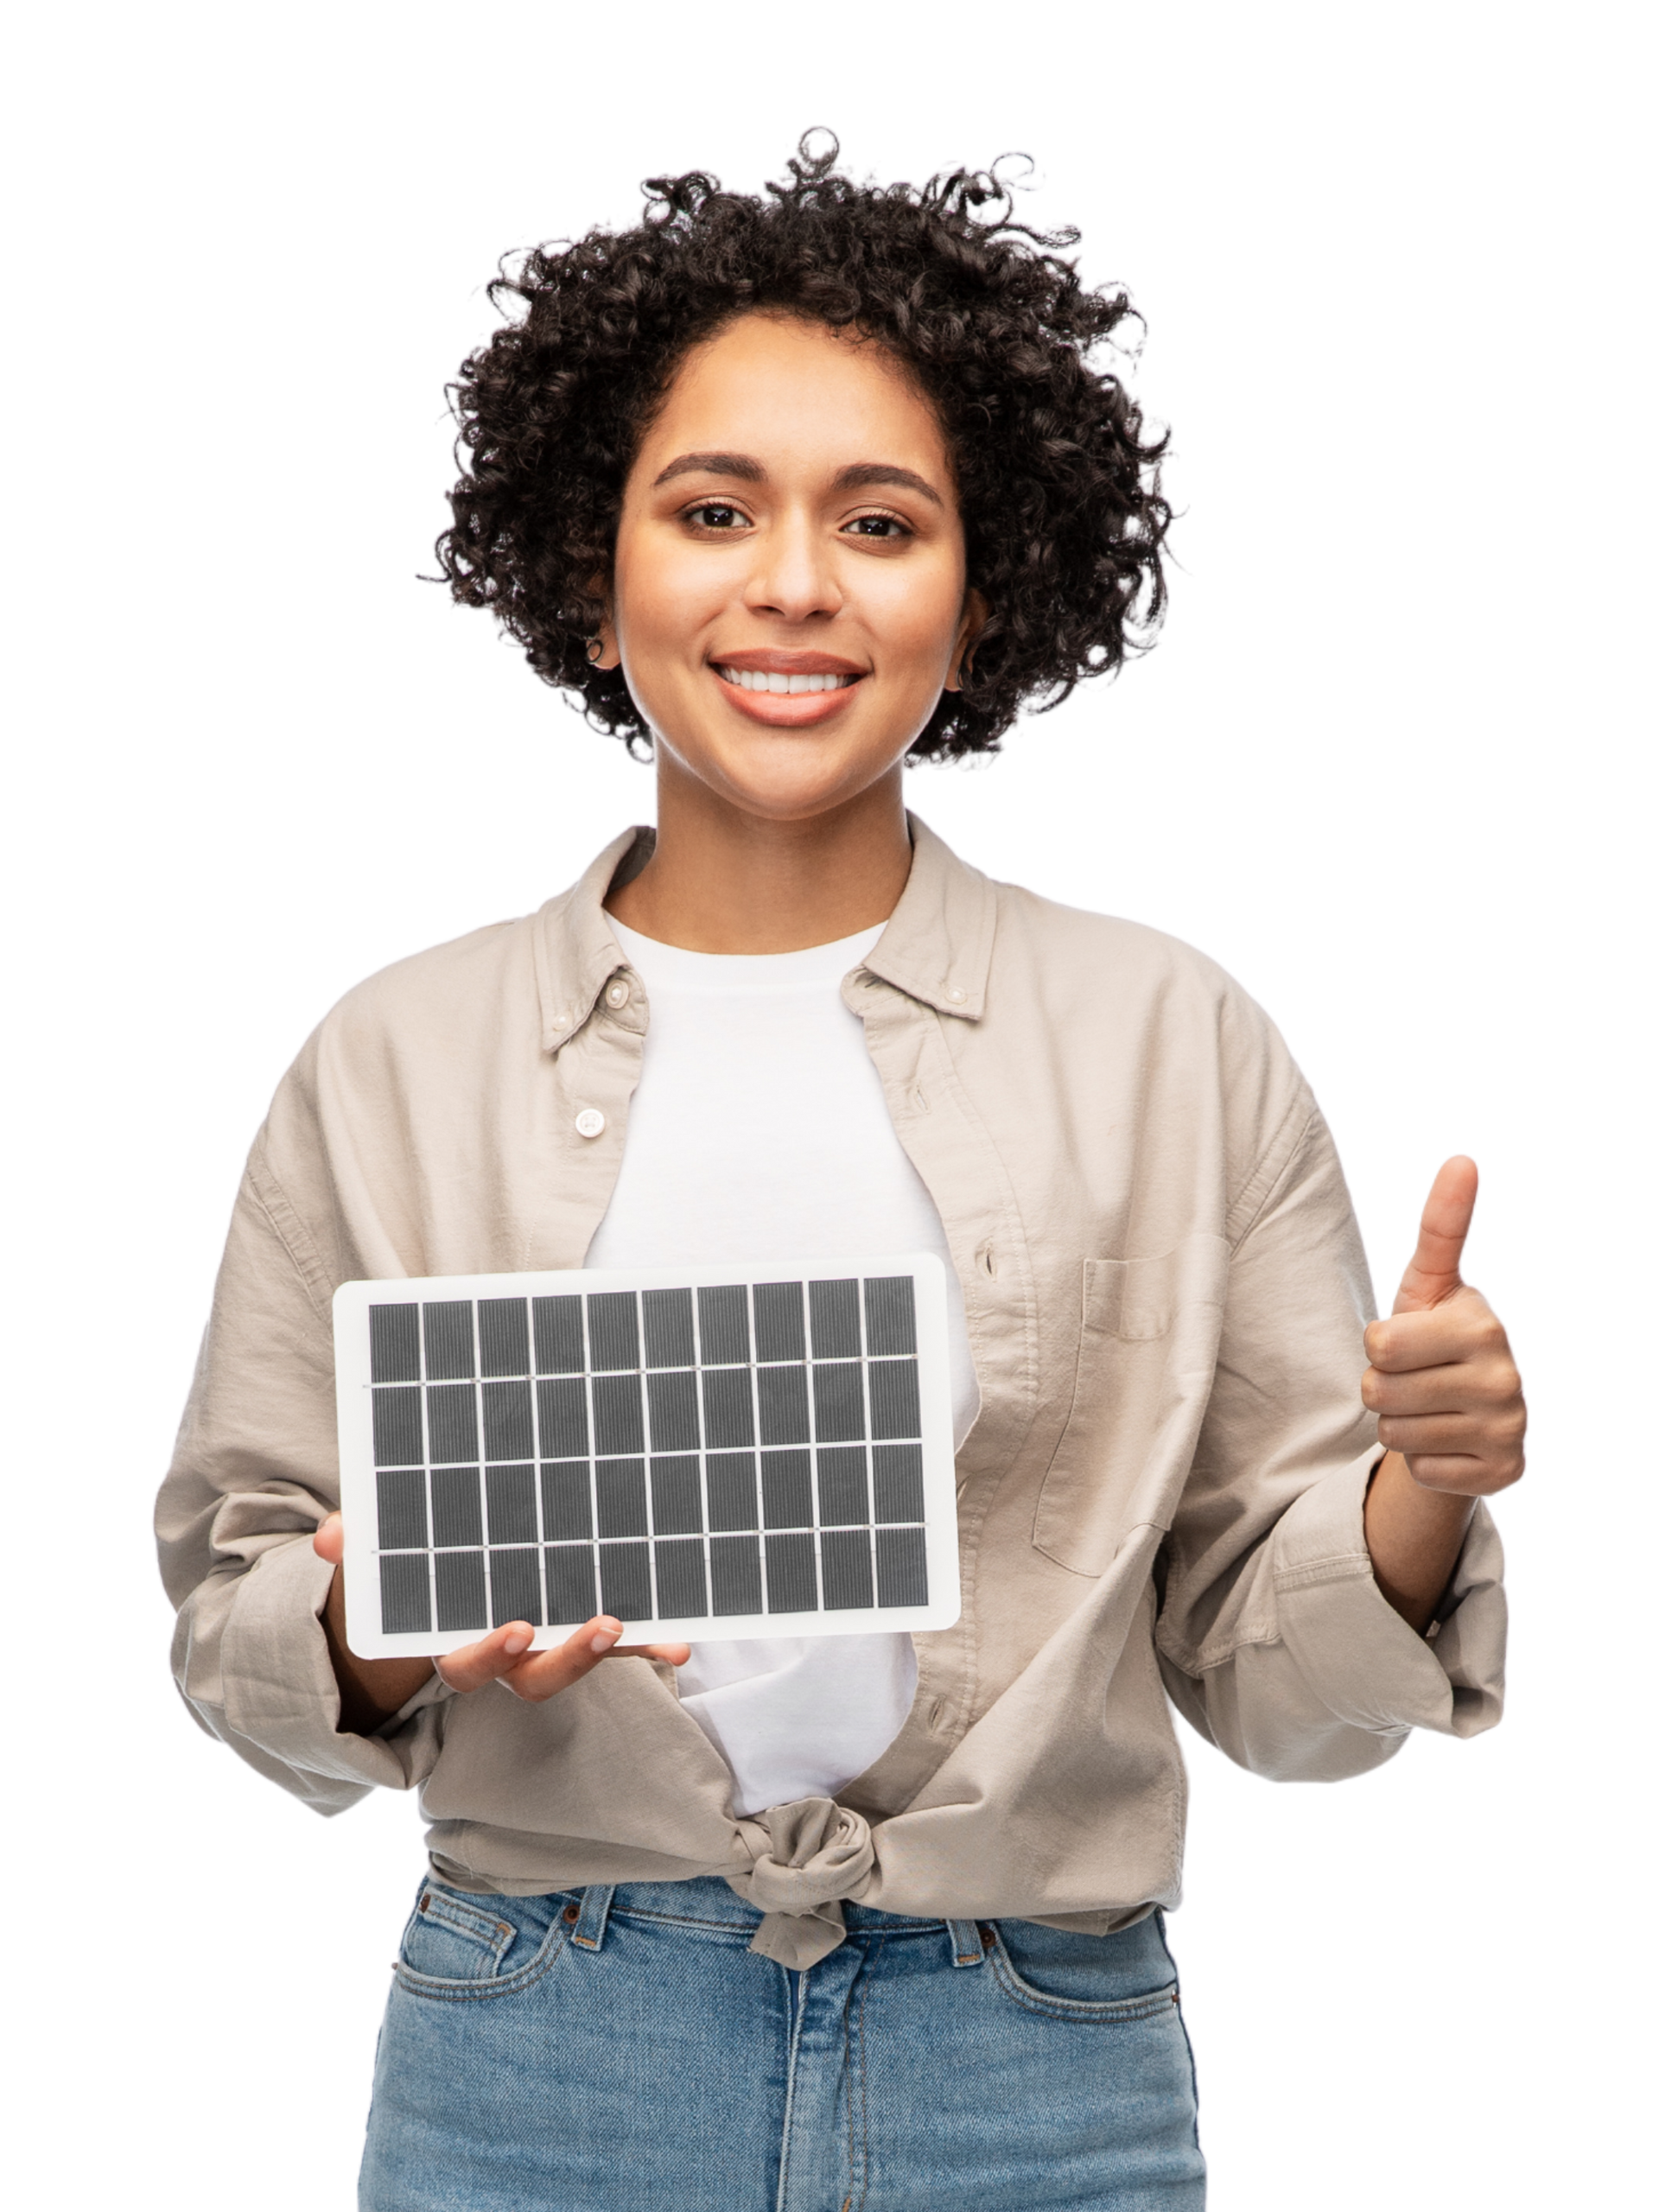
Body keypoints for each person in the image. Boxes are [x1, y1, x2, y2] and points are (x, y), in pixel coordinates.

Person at [152, 125, 1526, 2209]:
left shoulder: (1175, 1034)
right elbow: (229, 1623)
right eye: (713, 509)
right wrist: (384, 1619)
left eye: (880, 521)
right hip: (538, 2036)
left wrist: (1423, 1485)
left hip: (1039, 2047)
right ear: (592, 576)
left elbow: (1287, 1697)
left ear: (984, 596)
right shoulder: (387, 1055)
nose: (794, 582)